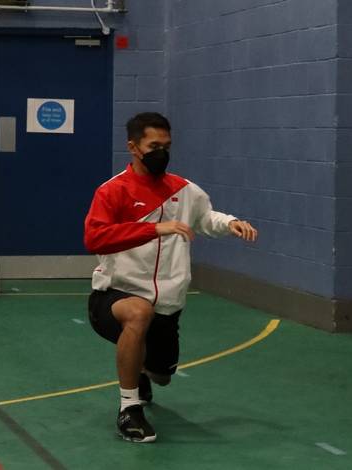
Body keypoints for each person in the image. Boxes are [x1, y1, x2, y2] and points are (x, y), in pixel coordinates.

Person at [84, 112, 258, 443]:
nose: (161, 152)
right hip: (114, 297)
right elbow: (95, 238)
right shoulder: (113, 191)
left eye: (167, 145)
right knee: (139, 313)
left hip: (167, 304)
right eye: (153, 146)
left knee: (162, 374)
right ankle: (129, 409)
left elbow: (206, 217)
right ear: (133, 147)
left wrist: (230, 222)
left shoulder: (184, 190)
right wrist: (154, 229)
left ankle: (144, 371)